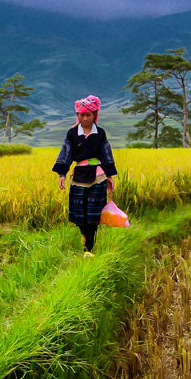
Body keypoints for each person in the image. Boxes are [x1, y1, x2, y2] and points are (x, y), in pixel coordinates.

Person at [52, 95, 117, 258]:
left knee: (93, 215)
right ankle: (85, 243)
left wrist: (110, 176)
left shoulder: (100, 133)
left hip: (98, 176)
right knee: (80, 214)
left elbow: (106, 154)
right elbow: (66, 153)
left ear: (95, 115)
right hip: (79, 176)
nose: (85, 118)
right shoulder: (72, 133)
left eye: (88, 115)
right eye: (81, 115)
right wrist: (62, 174)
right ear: (77, 115)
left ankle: (89, 248)